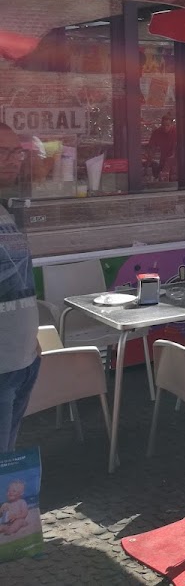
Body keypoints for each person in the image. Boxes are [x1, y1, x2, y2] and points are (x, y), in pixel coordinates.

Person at [0, 123, 39, 454]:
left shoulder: (4, 212)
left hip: (21, 359)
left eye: (17, 152)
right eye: (3, 151)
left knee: (7, 464)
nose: (13, 160)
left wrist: (32, 339)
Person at [147, 114, 177, 180]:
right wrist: (149, 159)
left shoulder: (177, 132)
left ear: (172, 124)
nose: (165, 128)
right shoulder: (157, 132)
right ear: (161, 124)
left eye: (168, 125)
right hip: (163, 159)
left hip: (175, 160)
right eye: (163, 125)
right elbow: (151, 148)